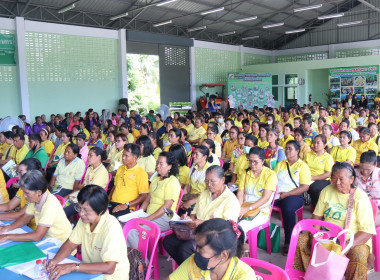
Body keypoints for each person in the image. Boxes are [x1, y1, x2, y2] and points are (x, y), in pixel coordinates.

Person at [293, 162, 376, 279]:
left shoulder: (360, 198)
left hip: (352, 240)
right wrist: (315, 236)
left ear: (351, 179)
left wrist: (346, 246)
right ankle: (311, 275)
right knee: (302, 241)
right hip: (328, 236)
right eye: (334, 178)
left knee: (358, 256)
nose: (337, 183)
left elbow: (366, 232)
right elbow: (316, 217)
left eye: (341, 179)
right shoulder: (327, 190)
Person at [47, 185, 129, 279]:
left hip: (110, 277)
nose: (81, 213)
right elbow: (70, 244)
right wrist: (54, 261)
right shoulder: (85, 221)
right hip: (91, 273)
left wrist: (73, 266)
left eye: (86, 210)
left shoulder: (111, 227)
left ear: (101, 211)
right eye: (79, 208)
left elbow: (109, 268)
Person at [164, 166, 241, 265]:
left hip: (216, 237)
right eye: (206, 181)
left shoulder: (231, 200)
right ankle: (189, 269)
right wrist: (187, 219)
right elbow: (194, 215)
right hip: (197, 232)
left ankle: (196, 271)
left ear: (222, 180)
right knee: (168, 241)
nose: (209, 184)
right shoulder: (204, 194)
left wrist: (203, 223)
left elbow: (227, 227)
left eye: (213, 181)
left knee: (185, 249)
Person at [167, 218, 256, 280]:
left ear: (223, 255)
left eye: (201, 250)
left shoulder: (244, 276)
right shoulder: (193, 263)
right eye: (197, 247)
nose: (196, 252)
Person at [127, 151, 181, 248]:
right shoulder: (156, 178)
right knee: (126, 225)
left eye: (161, 164)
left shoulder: (172, 181)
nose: (158, 166)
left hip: (165, 218)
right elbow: (148, 199)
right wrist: (138, 212)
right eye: (157, 163)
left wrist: (148, 219)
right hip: (150, 215)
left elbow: (166, 206)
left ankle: (141, 261)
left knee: (133, 231)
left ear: (170, 166)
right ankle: (130, 257)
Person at [0, 170, 72, 243]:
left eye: (26, 193)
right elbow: (25, 219)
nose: (24, 196)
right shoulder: (35, 199)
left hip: (60, 242)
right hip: (47, 238)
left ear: (38, 192)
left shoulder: (50, 204)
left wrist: (7, 236)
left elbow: (38, 236)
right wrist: (7, 228)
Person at [274, 140, 311, 254]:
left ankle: (289, 241)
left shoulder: (302, 166)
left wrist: (287, 194)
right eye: (286, 148)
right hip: (278, 194)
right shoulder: (280, 164)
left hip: (294, 195)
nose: (287, 151)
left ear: (297, 151)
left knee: (288, 209)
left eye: (290, 148)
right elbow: (273, 180)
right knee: (261, 203)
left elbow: (305, 187)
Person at [237, 147, 277, 241]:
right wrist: (239, 208)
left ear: (263, 161)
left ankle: (238, 252)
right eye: (250, 161)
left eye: (256, 162)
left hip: (262, 210)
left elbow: (265, 198)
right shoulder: (246, 173)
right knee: (227, 221)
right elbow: (240, 193)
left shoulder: (270, 175)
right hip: (244, 206)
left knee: (240, 227)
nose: (252, 164)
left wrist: (247, 208)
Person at [64, 147, 109, 217]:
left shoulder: (102, 172)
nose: (88, 157)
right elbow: (82, 187)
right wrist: (68, 196)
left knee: (65, 211)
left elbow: (92, 191)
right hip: (83, 195)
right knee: (62, 203)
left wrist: (82, 187)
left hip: (91, 200)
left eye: (90, 155)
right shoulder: (90, 169)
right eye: (88, 155)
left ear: (99, 157)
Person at [108, 143, 149, 217]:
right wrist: (108, 199)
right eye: (123, 154)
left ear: (135, 158)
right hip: (112, 203)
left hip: (126, 207)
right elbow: (115, 186)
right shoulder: (120, 168)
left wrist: (126, 205)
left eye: (126, 156)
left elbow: (144, 196)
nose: (123, 158)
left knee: (112, 221)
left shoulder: (141, 173)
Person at [0, 158, 42, 229]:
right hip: (25, 225)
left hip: (34, 229)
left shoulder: (37, 192)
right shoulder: (23, 188)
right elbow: (9, 205)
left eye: (21, 173)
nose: (18, 177)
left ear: (32, 173)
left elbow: (20, 215)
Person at [180, 145, 214, 215]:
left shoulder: (210, 170)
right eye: (193, 153)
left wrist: (190, 202)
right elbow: (187, 187)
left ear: (204, 157)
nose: (193, 156)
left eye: (196, 154)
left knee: (188, 213)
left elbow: (209, 193)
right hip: (191, 196)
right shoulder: (193, 167)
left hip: (202, 199)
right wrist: (181, 199)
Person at [304, 134, 335, 207]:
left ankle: (317, 208)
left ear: (324, 145)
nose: (315, 145)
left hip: (323, 179)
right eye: (314, 142)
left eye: (318, 143)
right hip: (308, 178)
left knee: (314, 188)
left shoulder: (328, 157)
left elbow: (328, 174)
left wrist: (312, 178)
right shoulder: (308, 154)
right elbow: (303, 167)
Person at [355, 150, 380, 225]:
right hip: (358, 209)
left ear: (375, 164)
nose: (365, 172)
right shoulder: (353, 174)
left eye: (368, 169)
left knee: (368, 224)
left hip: (378, 210)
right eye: (362, 168)